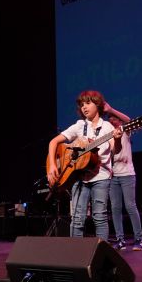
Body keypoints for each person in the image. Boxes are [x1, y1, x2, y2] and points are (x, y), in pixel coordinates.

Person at [47, 90, 122, 241]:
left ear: (98, 105)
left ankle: (101, 253)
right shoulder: (80, 126)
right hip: (79, 178)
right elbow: (53, 142)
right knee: (77, 218)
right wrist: (53, 166)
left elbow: (116, 149)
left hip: (101, 176)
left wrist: (118, 139)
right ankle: (76, 255)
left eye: (88, 103)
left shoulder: (107, 127)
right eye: (82, 105)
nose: (84, 107)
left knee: (99, 216)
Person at [103, 103, 142, 251]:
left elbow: (128, 119)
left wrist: (111, 110)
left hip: (127, 174)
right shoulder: (106, 134)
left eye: (114, 118)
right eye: (109, 118)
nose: (112, 120)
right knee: (115, 208)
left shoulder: (125, 131)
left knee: (130, 206)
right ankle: (120, 240)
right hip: (112, 176)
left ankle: (138, 240)